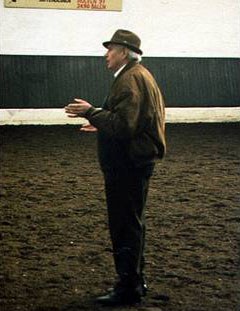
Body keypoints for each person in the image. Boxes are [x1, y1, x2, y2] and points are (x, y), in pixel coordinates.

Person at [65, 29, 166, 306]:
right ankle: (135, 281)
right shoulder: (139, 75)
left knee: (124, 225)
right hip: (137, 161)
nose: (106, 54)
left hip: (126, 164)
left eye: (110, 49)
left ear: (124, 51)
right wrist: (99, 122)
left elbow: (123, 126)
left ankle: (128, 288)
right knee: (133, 223)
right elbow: (130, 120)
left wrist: (91, 112)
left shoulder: (128, 79)